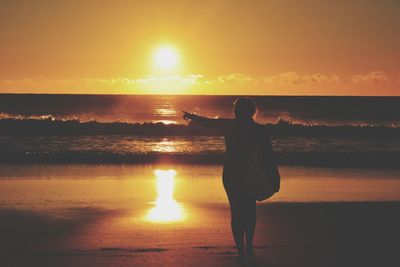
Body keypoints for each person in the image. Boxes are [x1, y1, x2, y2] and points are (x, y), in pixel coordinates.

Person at [183, 97, 277, 261]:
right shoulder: (258, 129)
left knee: (237, 211)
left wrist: (193, 117)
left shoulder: (231, 126)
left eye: (236, 108)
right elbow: (268, 155)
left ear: (240, 111)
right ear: (252, 112)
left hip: (232, 173)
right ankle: (248, 247)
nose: (234, 111)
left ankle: (241, 249)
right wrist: (273, 174)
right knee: (249, 210)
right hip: (249, 173)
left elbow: (210, 123)